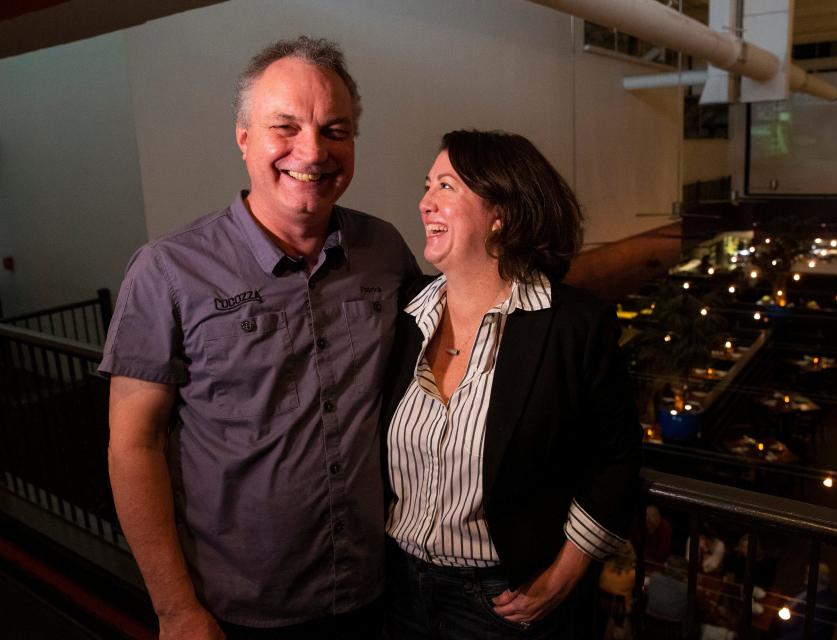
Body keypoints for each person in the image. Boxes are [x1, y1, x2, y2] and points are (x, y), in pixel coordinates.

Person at [100, 36, 419, 639]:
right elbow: (132, 447)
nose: (313, 150)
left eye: (335, 130)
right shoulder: (167, 271)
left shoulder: (384, 250)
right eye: (286, 127)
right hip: (236, 610)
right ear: (243, 137)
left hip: (373, 591)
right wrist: (175, 609)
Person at [381, 129, 641, 638]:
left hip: (500, 604)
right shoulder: (404, 313)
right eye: (427, 185)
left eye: (446, 188)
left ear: (501, 213)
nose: (424, 203)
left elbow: (617, 458)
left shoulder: (571, 325)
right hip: (395, 588)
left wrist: (564, 575)